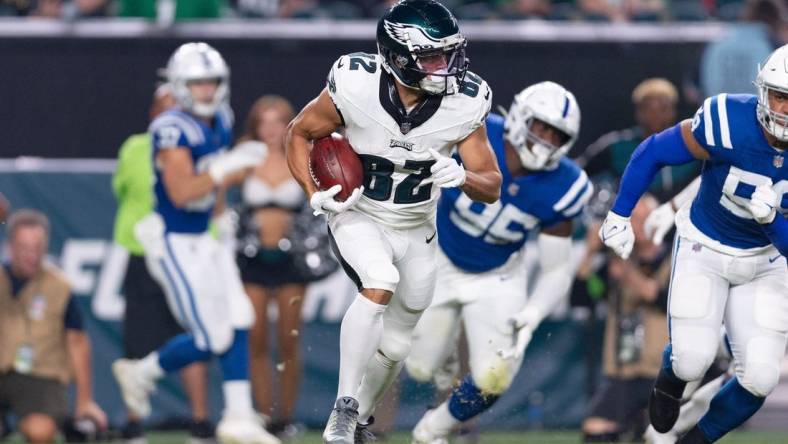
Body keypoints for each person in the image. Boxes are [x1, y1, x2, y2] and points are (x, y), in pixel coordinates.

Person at [286, 1, 502, 441]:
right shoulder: (356, 84)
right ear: (399, 57)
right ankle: (343, 409)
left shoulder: (465, 102)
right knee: (379, 279)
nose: (447, 68)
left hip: (418, 228)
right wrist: (314, 193)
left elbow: (492, 184)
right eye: (433, 57)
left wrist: (463, 176)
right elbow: (299, 133)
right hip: (359, 213)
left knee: (400, 343)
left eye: (450, 54)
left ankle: (360, 419)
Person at [598, 44, 788, 443]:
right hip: (706, 246)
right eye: (780, 97)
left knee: (761, 376)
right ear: (762, 91)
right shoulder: (729, 120)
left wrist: (771, 221)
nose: (785, 111)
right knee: (691, 361)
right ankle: (670, 380)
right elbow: (654, 151)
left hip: (768, 261)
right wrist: (619, 213)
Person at [111, 42, 280, 444]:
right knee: (213, 337)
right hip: (174, 243)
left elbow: (213, 185)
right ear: (180, 85)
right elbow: (184, 191)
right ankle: (143, 371)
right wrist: (226, 168)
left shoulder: (220, 117)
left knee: (240, 317)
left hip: (205, 236)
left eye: (211, 82)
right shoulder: (170, 127)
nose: (206, 90)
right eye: (197, 83)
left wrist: (220, 211)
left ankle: (238, 416)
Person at [403, 81, 590, 443]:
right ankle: (443, 365)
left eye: (557, 134)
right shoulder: (478, 132)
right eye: (541, 127)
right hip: (440, 256)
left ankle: (432, 430)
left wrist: (533, 313)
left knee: (496, 375)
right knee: (419, 366)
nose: (547, 140)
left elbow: (555, 269)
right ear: (520, 118)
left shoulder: (565, 185)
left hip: (498, 274)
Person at [112, 83, 214, 443]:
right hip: (144, 253)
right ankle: (135, 422)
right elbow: (124, 189)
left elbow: (210, 197)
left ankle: (201, 423)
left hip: (188, 254)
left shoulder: (202, 141)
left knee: (197, 334)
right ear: (153, 114)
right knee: (137, 341)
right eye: (164, 107)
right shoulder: (135, 147)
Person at [236, 95, 336, 435]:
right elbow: (216, 192)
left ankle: (285, 417)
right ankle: (263, 415)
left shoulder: (301, 155)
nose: (270, 128)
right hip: (252, 258)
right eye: (264, 122)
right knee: (257, 339)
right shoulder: (245, 157)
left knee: (289, 339)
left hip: (292, 258)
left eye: (278, 121)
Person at [0, 210, 107, 443]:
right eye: (24, 247)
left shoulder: (59, 286)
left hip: (40, 373)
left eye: (37, 248)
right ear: (10, 247)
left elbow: (77, 342)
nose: (31, 255)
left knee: (41, 431)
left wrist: (84, 400)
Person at [581, 194, 671, 443]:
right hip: (625, 371)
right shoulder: (615, 261)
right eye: (633, 219)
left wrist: (627, 273)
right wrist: (589, 252)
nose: (638, 225)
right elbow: (581, 297)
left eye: (644, 219)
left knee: (659, 435)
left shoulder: (677, 257)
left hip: (663, 373)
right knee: (596, 429)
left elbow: (663, 300)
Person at [578, 78, 699, 202]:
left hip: (681, 214)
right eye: (649, 109)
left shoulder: (691, 146)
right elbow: (578, 172)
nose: (655, 115)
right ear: (638, 112)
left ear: (673, 111)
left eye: (662, 108)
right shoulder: (618, 146)